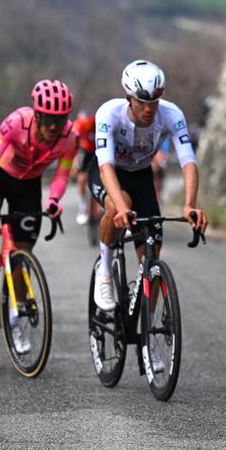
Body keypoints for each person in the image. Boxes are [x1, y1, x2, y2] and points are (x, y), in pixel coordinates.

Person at [0, 79, 79, 353]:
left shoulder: (70, 139)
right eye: (48, 120)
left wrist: (54, 200)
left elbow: (62, 174)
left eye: (60, 121)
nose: (53, 128)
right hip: (0, 177)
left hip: (29, 185)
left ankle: (14, 319)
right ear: (37, 115)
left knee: (21, 256)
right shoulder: (16, 123)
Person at [90, 59, 208, 302]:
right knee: (118, 202)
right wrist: (122, 209)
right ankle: (105, 271)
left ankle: (145, 334)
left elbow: (188, 162)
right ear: (129, 97)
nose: (149, 108)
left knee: (152, 259)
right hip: (110, 174)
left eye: (154, 101)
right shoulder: (109, 114)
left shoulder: (171, 114)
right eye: (142, 102)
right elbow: (105, 167)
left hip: (141, 175)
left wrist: (189, 204)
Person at [72, 109, 97, 225]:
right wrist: (74, 163)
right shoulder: (77, 126)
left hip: (96, 150)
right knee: (82, 179)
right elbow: (74, 147)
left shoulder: (95, 122)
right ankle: (83, 206)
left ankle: (96, 206)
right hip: (84, 150)